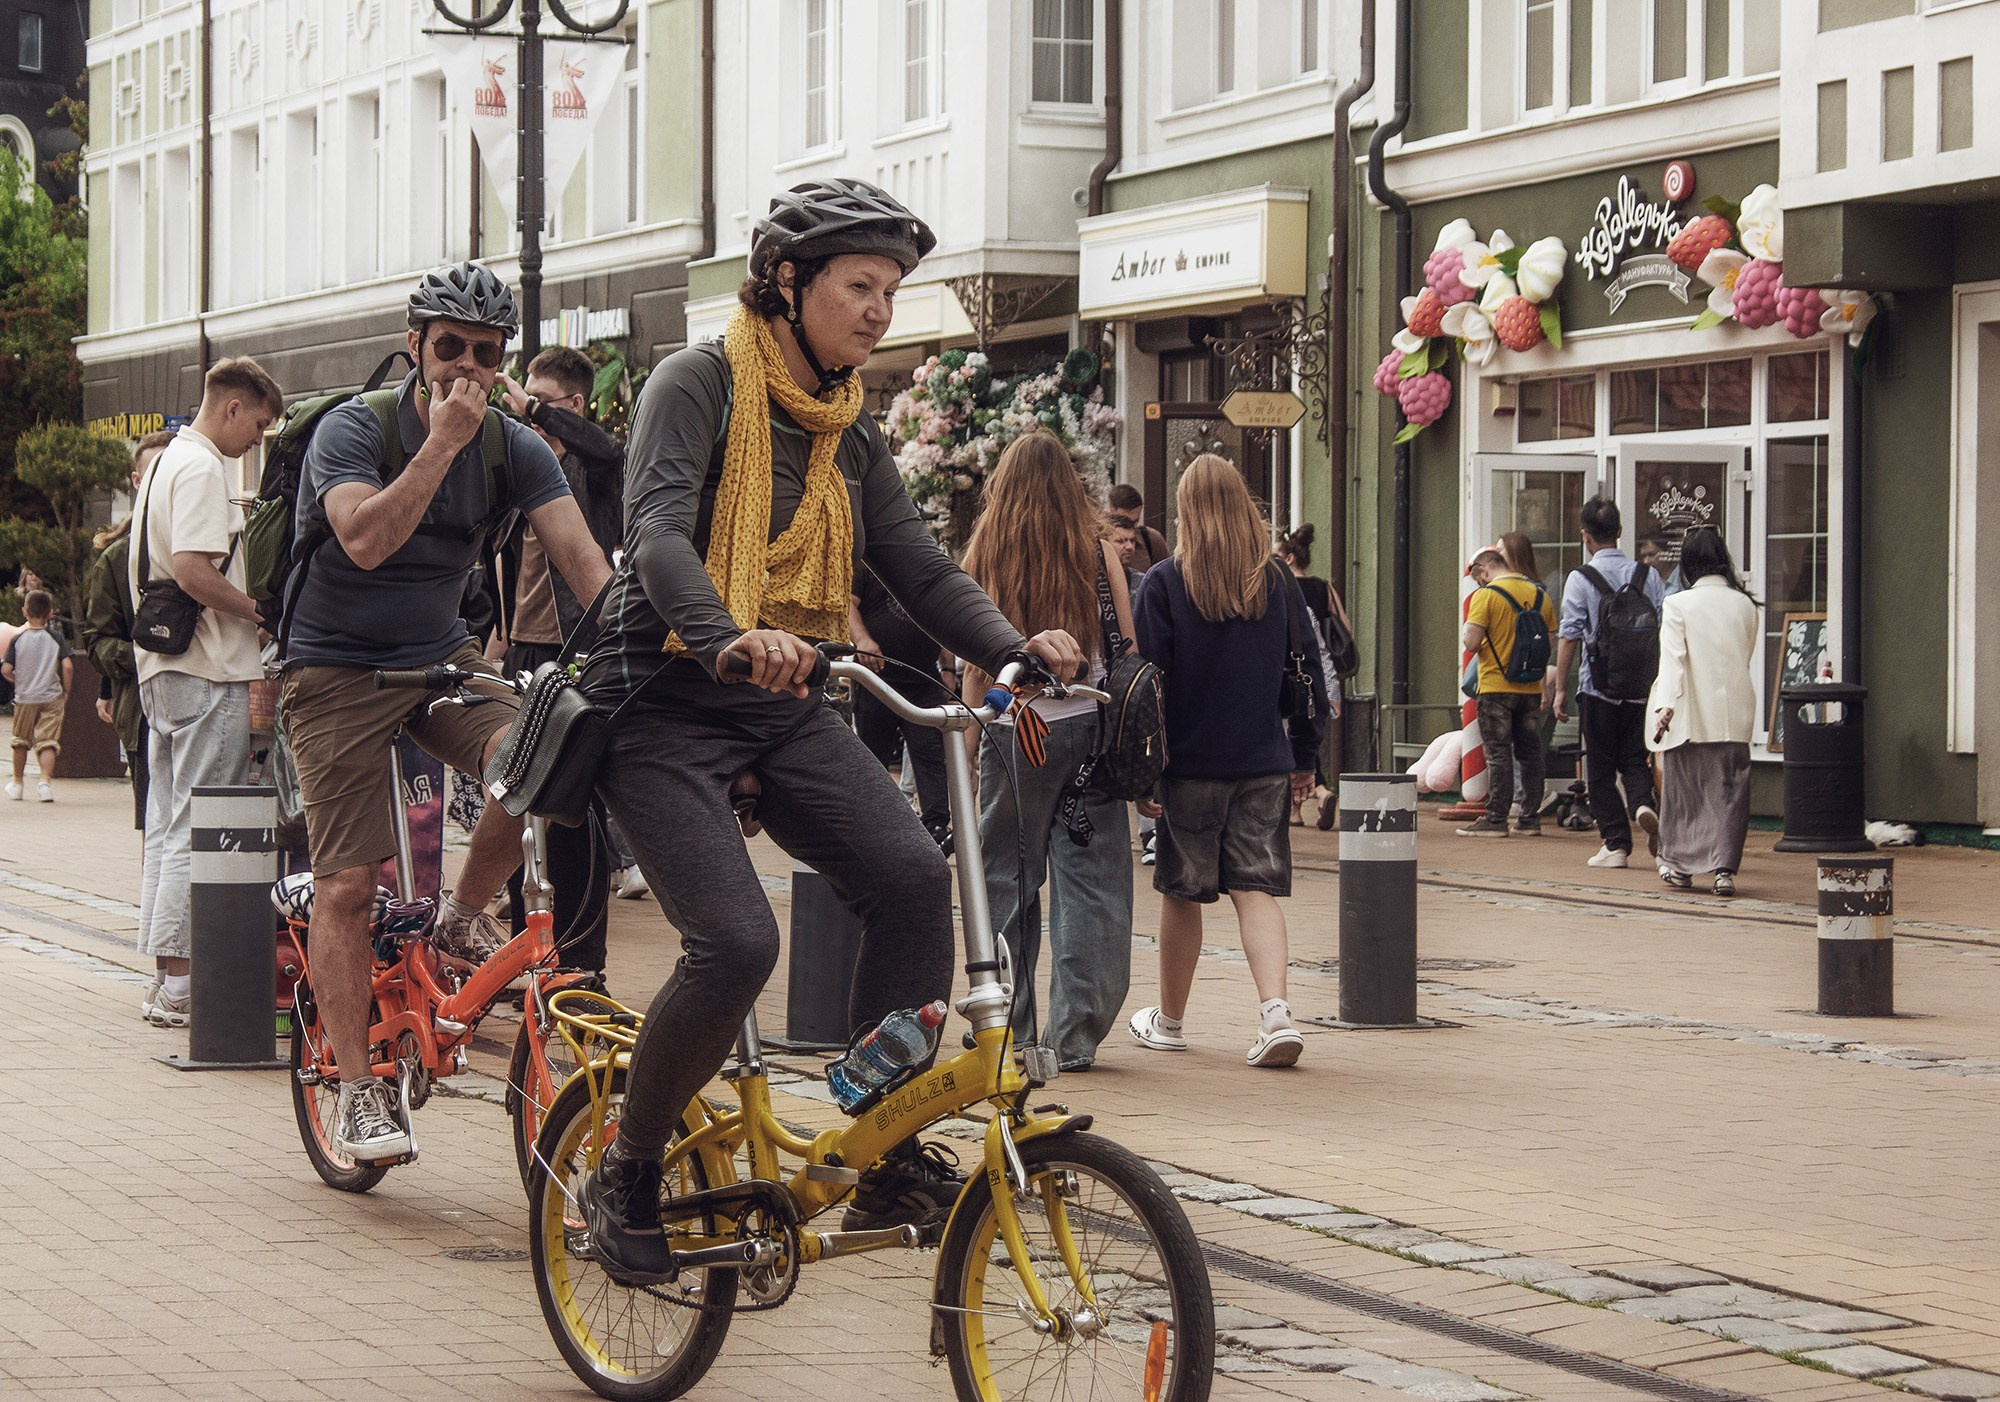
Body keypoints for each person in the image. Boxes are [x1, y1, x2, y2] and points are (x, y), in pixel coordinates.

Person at [570, 178, 1083, 1285]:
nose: (879, 310)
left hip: (780, 701)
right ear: (787, 283)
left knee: (911, 876)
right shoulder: (696, 383)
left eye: (890, 290)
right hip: (658, 701)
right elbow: (654, 536)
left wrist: (1012, 650)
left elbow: (917, 566)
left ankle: (882, 1145)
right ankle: (628, 1168)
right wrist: (724, 636)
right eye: (860, 286)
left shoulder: (847, 426)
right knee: (737, 943)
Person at [279, 261, 611, 1163]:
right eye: (451, 347)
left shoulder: (517, 446)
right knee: (350, 885)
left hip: (438, 659)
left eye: (487, 353)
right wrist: (441, 445)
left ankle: (461, 913)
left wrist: (658, 651)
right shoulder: (355, 429)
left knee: (545, 748)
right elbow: (365, 539)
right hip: (334, 668)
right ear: (417, 345)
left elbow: (585, 565)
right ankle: (356, 1090)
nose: (467, 366)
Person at [1129, 454, 1325, 1069]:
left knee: (1182, 892)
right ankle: (1276, 1014)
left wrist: (1145, 769)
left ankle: (1169, 1022)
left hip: (1189, 765)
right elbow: (1308, 673)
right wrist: (1307, 754)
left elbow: (1149, 685)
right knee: (1255, 888)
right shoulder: (1277, 581)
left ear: (1185, 510)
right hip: (1263, 761)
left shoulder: (1163, 583)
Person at [962, 430, 1136, 1074]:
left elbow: (972, 663)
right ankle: (1076, 1034)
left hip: (1015, 729)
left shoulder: (986, 549)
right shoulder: (1096, 550)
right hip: (1090, 726)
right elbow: (1126, 647)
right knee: (1093, 880)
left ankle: (1010, 1029)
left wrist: (971, 743)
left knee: (1005, 879)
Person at [130, 359, 283, 1028]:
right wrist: (257, 612)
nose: (257, 440)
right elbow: (193, 570)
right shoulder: (200, 468)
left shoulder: (165, 462)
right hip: (207, 666)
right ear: (232, 407)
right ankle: (182, 984)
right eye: (259, 424)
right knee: (199, 826)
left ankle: (167, 978)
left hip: (164, 669)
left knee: (169, 822)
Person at [492, 345, 626, 967]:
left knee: (576, 806)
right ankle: (524, 946)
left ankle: (581, 959)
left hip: (579, 651)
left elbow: (608, 448)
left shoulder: (593, 470)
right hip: (522, 652)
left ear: (572, 405)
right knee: (515, 798)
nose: (529, 415)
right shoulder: (521, 469)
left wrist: (536, 412)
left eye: (543, 404)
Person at [1551, 496, 1662, 869]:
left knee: (1599, 768)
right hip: (1641, 686)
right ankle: (1642, 803)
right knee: (1633, 757)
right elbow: (1663, 627)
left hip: (1598, 688)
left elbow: (1569, 635)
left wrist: (1561, 689)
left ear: (1585, 536)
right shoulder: (1648, 576)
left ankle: (1616, 845)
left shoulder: (1580, 579)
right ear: (1619, 531)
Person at [1647, 526, 1759, 897]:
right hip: (1735, 710)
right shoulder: (1744, 604)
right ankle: (1724, 870)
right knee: (1729, 793)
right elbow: (1745, 653)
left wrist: (1665, 706)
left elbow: (1672, 661)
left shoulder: (1678, 604)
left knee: (1685, 794)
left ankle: (1679, 865)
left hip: (1691, 714)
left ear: (1688, 563)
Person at [82, 429, 173, 828]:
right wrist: (148, 653)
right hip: (145, 713)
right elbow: (100, 641)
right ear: (137, 481)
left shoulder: (216, 540)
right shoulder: (118, 558)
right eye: (154, 472)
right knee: (157, 829)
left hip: (208, 708)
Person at [849, 565, 954, 849]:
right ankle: (872, 826)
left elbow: (944, 618)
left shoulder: (927, 565)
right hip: (877, 677)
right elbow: (848, 604)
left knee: (931, 753)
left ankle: (936, 826)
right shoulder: (867, 564)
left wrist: (948, 668)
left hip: (923, 678)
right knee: (873, 757)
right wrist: (862, 639)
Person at [1457, 548, 1556, 837]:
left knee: (1498, 754)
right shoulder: (1540, 595)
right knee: (1530, 754)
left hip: (1495, 686)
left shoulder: (1486, 596)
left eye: (1479, 578)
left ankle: (1496, 819)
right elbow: (1548, 641)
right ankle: (1529, 818)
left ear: (1483, 571)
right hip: (1530, 687)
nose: (1479, 583)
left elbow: (1471, 643)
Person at [1276, 521, 1347, 826]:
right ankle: (1313, 796)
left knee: (1291, 737)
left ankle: (1309, 799)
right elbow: (1344, 627)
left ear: (1289, 558)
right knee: (1306, 732)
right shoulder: (1322, 587)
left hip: (1286, 677)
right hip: (1316, 672)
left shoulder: (1278, 588)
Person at [5, 589, 72, 802]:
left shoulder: (18, 639)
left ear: (25, 612)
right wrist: (66, 690)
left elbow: (6, 669)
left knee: (20, 741)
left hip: (25, 696)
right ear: (50, 613)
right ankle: (44, 783)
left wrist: (15, 679)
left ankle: (17, 784)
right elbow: (68, 666)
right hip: (51, 696)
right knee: (48, 741)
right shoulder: (56, 638)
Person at [1108, 483, 1169, 570]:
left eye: (1135, 521)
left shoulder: (1151, 540)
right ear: (1109, 513)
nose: (1130, 526)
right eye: (1123, 520)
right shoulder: (1096, 542)